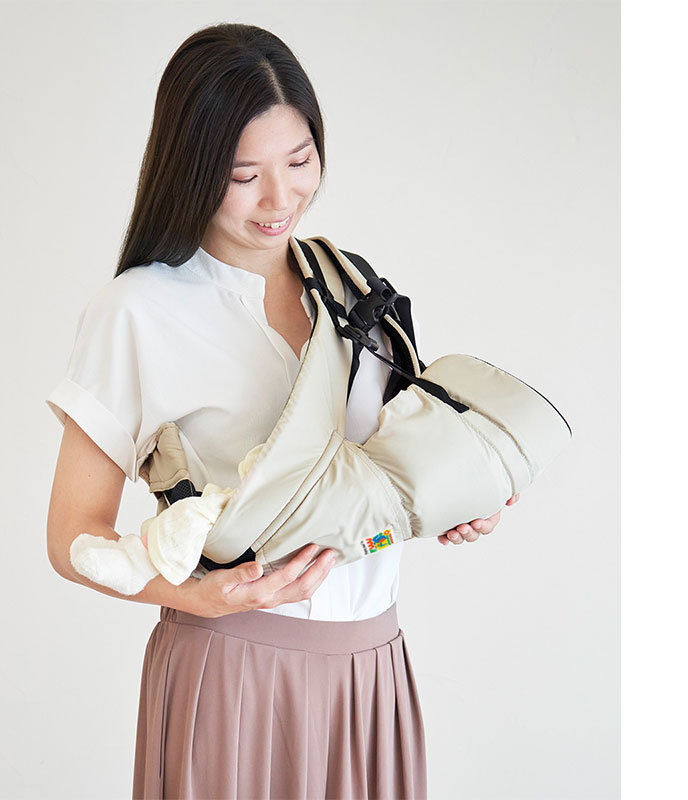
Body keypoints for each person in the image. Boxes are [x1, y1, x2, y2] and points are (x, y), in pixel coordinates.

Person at [45, 22, 519, 800]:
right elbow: (72, 538)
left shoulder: (352, 286)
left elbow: (389, 477)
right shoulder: (138, 311)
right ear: (192, 169)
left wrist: (462, 501)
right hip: (233, 670)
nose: (280, 198)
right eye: (243, 175)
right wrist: (193, 595)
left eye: (300, 161)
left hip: (373, 669)